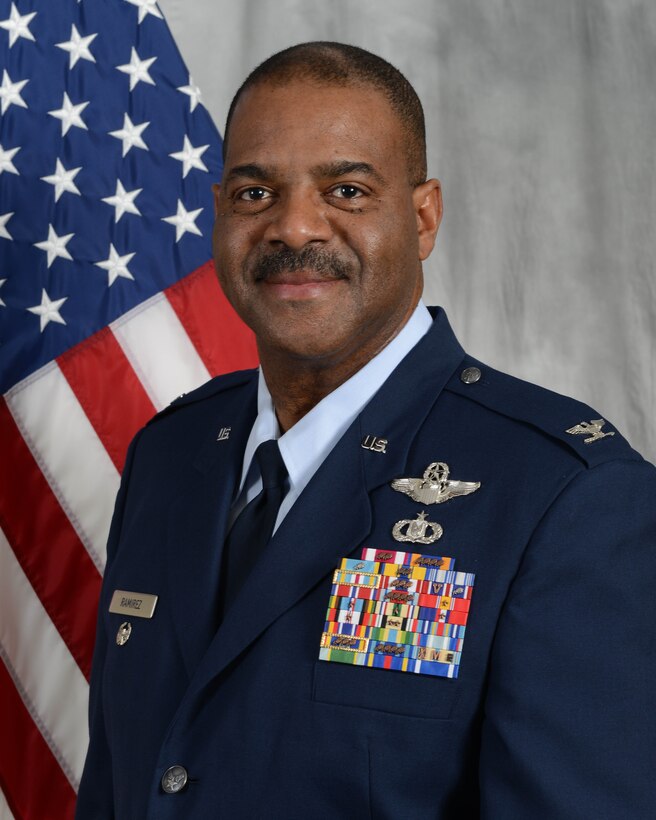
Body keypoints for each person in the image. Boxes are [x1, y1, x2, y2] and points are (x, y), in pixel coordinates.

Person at [76, 42, 656, 819]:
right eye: (255, 193)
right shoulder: (170, 454)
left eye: (346, 190)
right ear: (219, 212)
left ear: (422, 217)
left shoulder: (564, 496)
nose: (293, 227)